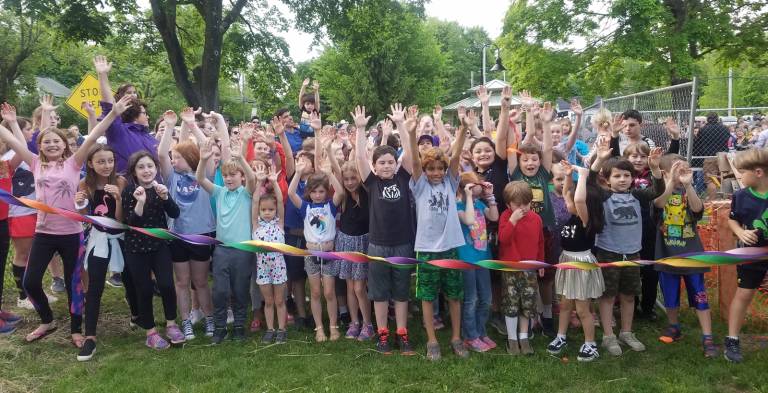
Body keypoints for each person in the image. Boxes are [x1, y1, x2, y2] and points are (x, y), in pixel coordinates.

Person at [0, 96, 130, 347]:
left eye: (56, 141)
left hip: (71, 234)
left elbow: (92, 137)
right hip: (44, 232)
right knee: (30, 282)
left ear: (63, 145)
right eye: (46, 141)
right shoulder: (35, 162)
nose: (51, 144)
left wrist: (113, 113)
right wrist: (11, 123)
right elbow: (14, 142)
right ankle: (47, 320)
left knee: (74, 284)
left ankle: (75, 329)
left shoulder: (74, 163)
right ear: (40, 146)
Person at [588, 112, 665, 357]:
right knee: (608, 295)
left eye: (627, 175)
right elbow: (589, 184)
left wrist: (655, 169)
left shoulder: (637, 196)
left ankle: (627, 332)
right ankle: (609, 336)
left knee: (630, 294)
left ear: (633, 178)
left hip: (633, 252)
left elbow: (656, 191)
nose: (623, 179)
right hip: (609, 251)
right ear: (608, 179)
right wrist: (599, 161)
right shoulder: (604, 196)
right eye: (617, 176)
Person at [405, 107, 470, 361]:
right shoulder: (420, 186)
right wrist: (411, 134)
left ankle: (456, 337)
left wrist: (463, 128)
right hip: (427, 248)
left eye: (438, 169)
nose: (435, 173)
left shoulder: (450, 182)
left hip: (451, 246)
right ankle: (432, 340)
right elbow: (413, 163)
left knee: (454, 294)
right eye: (430, 168)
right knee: (428, 295)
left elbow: (454, 158)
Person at [353, 104, 416, 355]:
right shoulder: (371, 183)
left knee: (401, 292)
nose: (387, 166)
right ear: (375, 166)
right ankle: (382, 335)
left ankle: (402, 333)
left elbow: (410, 155)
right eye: (382, 163)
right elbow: (359, 158)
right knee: (379, 294)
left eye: (391, 162)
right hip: (377, 245)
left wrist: (401, 125)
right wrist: (360, 130)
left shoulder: (403, 178)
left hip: (403, 243)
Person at [157, 108, 216, 340]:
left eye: (178, 157)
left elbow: (208, 151)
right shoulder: (172, 177)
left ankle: (209, 317)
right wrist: (170, 125)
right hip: (178, 235)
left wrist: (192, 125)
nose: (173, 159)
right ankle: (186, 321)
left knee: (201, 281)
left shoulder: (204, 176)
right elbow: (162, 154)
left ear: (190, 158)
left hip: (201, 234)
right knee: (181, 282)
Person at [653, 154, 716, 358]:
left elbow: (698, 209)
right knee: (670, 295)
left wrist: (689, 186)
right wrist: (670, 182)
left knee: (699, 294)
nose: (683, 173)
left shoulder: (690, 193)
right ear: (665, 173)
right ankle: (674, 326)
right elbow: (658, 206)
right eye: (678, 170)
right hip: (667, 256)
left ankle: (707, 337)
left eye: (685, 169)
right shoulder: (658, 191)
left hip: (692, 256)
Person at [196, 137, 256, 344]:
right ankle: (220, 328)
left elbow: (253, 179)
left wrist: (241, 159)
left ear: (241, 177)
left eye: (233, 175)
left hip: (243, 251)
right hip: (222, 250)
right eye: (226, 175)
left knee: (240, 290)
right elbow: (200, 180)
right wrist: (204, 160)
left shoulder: (247, 194)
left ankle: (239, 326)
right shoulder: (220, 193)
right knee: (220, 291)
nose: (229, 179)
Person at [122, 150, 184, 350]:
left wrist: (165, 197)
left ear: (156, 169)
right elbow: (131, 223)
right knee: (145, 289)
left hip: (159, 246)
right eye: (141, 167)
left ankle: (171, 324)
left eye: (150, 166)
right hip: (136, 248)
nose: (146, 170)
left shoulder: (160, 188)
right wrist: (140, 202)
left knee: (166, 285)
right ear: (134, 171)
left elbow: (175, 213)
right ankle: (150, 332)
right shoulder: (129, 191)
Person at [287, 129, 344, 342]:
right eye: (315, 192)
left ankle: (333, 325)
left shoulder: (330, 205)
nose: (318, 195)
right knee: (316, 293)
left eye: (322, 191)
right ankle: (319, 327)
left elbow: (340, 192)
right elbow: (291, 193)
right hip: (311, 254)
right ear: (309, 193)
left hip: (328, 254)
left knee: (329, 292)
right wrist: (298, 172)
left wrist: (329, 174)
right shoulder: (306, 207)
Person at [74, 144, 128, 360]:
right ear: (90, 164)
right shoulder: (85, 184)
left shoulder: (121, 182)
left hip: (120, 237)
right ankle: (90, 337)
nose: (106, 166)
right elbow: (85, 215)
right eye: (101, 161)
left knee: (131, 279)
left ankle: (137, 315)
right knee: (95, 286)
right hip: (98, 239)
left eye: (110, 161)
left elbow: (121, 219)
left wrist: (118, 199)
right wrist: (79, 205)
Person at [547, 161, 605, 362]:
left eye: (574, 200)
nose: (568, 201)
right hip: (567, 260)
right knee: (564, 304)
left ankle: (591, 343)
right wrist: (570, 175)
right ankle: (561, 336)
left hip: (581, 263)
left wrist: (583, 174)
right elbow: (567, 193)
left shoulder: (585, 219)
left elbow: (579, 200)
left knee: (582, 309)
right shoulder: (573, 213)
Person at [512, 100, 556, 337]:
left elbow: (547, 149)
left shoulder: (543, 172)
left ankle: (547, 314)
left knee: (545, 277)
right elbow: (517, 143)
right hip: (520, 231)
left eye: (534, 159)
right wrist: (524, 116)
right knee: (522, 278)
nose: (530, 163)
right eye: (526, 159)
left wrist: (546, 124)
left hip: (546, 230)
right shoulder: (515, 172)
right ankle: (526, 319)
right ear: (518, 162)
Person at [724, 148, 768, 362]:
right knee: (744, 294)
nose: (738, 176)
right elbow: (732, 219)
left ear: (758, 172)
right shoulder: (741, 196)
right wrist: (740, 231)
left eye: (742, 172)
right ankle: (732, 340)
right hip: (750, 256)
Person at [331, 159, 374, 341]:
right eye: (346, 179)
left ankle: (368, 324)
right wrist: (331, 155)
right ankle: (354, 322)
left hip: (363, 243)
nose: (350, 182)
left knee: (359, 288)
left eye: (353, 178)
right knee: (350, 287)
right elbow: (334, 170)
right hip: (346, 242)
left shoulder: (367, 192)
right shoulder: (343, 196)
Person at [499, 181, 544, 355]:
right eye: (517, 205)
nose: (523, 208)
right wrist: (512, 221)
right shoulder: (505, 217)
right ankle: (512, 339)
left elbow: (540, 243)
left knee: (527, 303)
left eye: (526, 203)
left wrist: (540, 263)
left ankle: (523, 337)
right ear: (508, 205)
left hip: (530, 269)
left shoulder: (536, 219)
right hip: (510, 269)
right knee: (511, 304)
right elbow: (504, 239)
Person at [456, 171, 498, 352]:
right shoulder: (458, 206)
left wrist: (490, 197)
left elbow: (494, 217)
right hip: (466, 259)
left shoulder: (480, 203)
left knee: (486, 299)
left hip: (483, 259)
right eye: (474, 184)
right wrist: (466, 196)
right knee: (471, 299)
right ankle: (470, 336)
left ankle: (481, 331)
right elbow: (469, 219)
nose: (479, 186)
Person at [94, 55, 158, 174]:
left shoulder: (152, 139)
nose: (148, 116)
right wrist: (102, 75)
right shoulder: (119, 132)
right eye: (144, 113)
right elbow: (109, 107)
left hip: (156, 191)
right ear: (134, 116)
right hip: (126, 191)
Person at [252, 165, 288, 345]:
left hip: (279, 267)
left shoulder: (279, 224)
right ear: (259, 211)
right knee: (268, 301)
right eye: (264, 210)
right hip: (263, 268)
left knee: (280, 300)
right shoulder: (256, 226)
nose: (267, 213)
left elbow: (280, 202)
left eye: (270, 210)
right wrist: (259, 182)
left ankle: (282, 329)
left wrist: (274, 183)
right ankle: (270, 329)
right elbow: (254, 201)